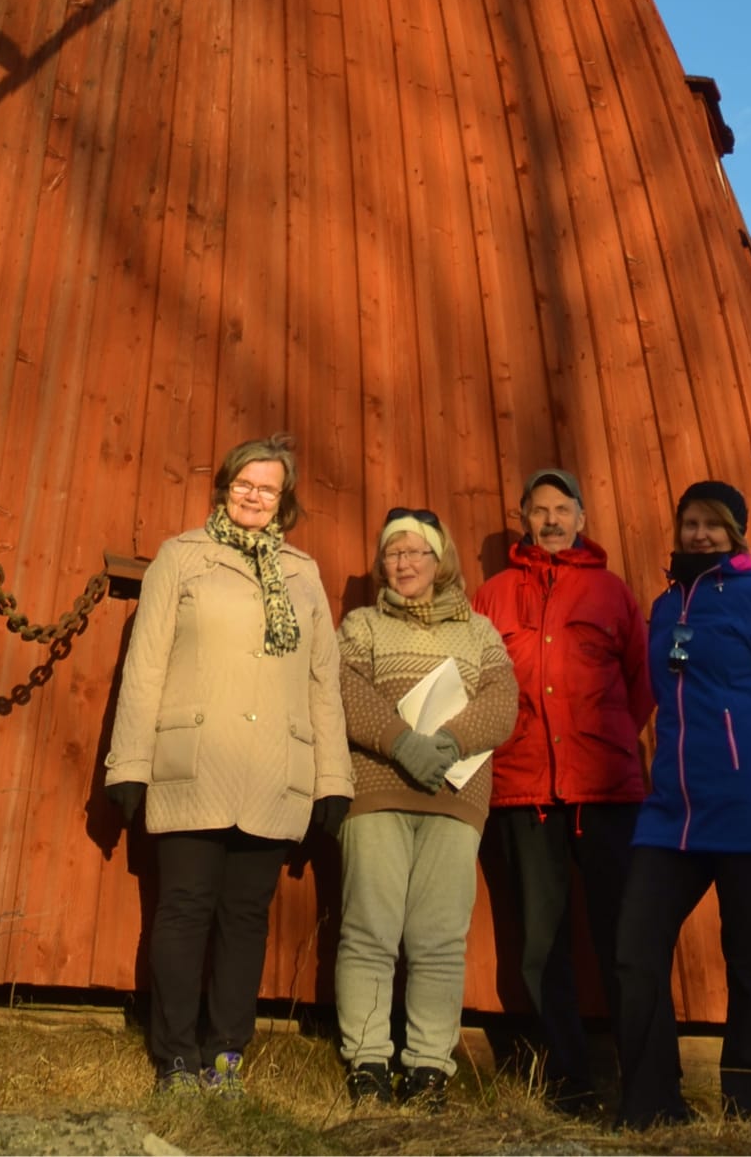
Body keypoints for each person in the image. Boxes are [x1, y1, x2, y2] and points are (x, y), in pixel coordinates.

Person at [104, 436, 353, 1096]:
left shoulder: (304, 574)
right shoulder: (181, 558)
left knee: (247, 917)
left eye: (267, 487)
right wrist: (129, 762)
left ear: (284, 500)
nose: (253, 495)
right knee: (183, 907)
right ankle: (176, 1058)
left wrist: (333, 778)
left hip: (274, 771)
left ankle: (226, 1056)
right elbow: (146, 664)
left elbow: (323, 681)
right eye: (244, 482)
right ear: (224, 486)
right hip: (194, 763)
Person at [613, 479, 751, 1130]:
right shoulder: (665, 607)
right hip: (674, 807)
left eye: (712, 523)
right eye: (689, 522)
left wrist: (746, 759)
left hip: (749, 803)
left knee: (750, 959)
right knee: (636, 949)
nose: (699, 533)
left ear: (735, 531)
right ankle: (652, 1106)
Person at [473, 466, 653, 1112]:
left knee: (623, 939)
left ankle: (644, 1087)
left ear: (581, 517)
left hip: (605, 794)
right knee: (541, 947)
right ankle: (570, 1085)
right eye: (539, 508)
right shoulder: (491, 596)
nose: (550, 519)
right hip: (524, 793)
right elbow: (474, 682)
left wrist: (602, 744)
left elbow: (642, 681)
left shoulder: (612, 593)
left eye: (562, 508)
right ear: (525, 517)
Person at [334, 506, 518, 1109]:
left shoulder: (478, 632)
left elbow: (503, 700)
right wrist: (401, 743)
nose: (404, 562)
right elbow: (344, 687)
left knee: (439, 939)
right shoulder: (360, 626)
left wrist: (448, 744)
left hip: (454, 798)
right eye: (393, 552)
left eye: (416, 552)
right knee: (370, 931)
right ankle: (366, 1061)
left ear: (441, 562)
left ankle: (428, 1068)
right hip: (377, 792)